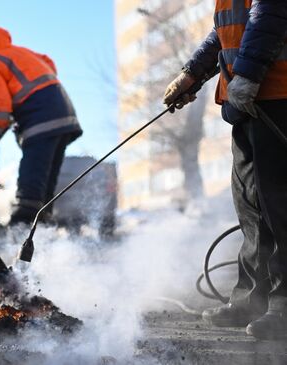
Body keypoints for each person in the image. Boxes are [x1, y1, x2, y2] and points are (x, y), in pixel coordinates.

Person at [163, 0, 287, 340]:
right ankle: (251, 300)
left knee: (279, 205)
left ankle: (283, 304)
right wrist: (192, 74)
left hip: (277, 94)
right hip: (248, 100)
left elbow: (270, 14)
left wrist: (247, 75)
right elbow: (227, 34)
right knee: (251, 205)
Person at [0, 27, 83, 226]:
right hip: (64, 115)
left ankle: (19, 247)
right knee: (43, 197)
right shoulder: (15, 52)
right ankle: (47, 247)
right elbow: (48, 66)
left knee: (28, 198)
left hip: (40, 120)